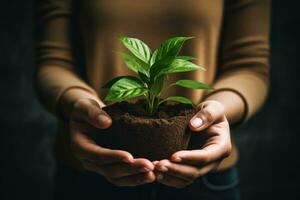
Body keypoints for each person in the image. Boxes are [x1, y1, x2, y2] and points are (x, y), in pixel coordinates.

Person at [34, 0, 270, 199]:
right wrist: (79, 103)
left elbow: (249, 67)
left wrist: (218, 109)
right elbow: (53, 62)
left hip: (203, 177)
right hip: (88, 172)